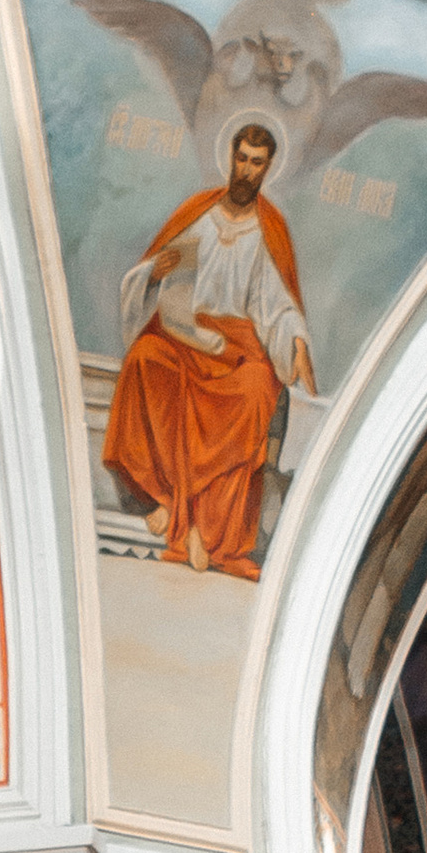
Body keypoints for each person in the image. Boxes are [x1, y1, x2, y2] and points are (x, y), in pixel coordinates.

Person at [103, 119, 313, 580]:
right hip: (185, 333)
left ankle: (208, 529)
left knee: (256, 389)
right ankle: (161, 498)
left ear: (268, 168)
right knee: (143, 359)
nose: (247, 170)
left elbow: (278, 305)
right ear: (230, 158)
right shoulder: (197, 212)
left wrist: (295, 340)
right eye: (242, 159)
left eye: (257, 163)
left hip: (237, 343)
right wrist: (156, 273)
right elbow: (146, 276)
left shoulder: (269, 229)